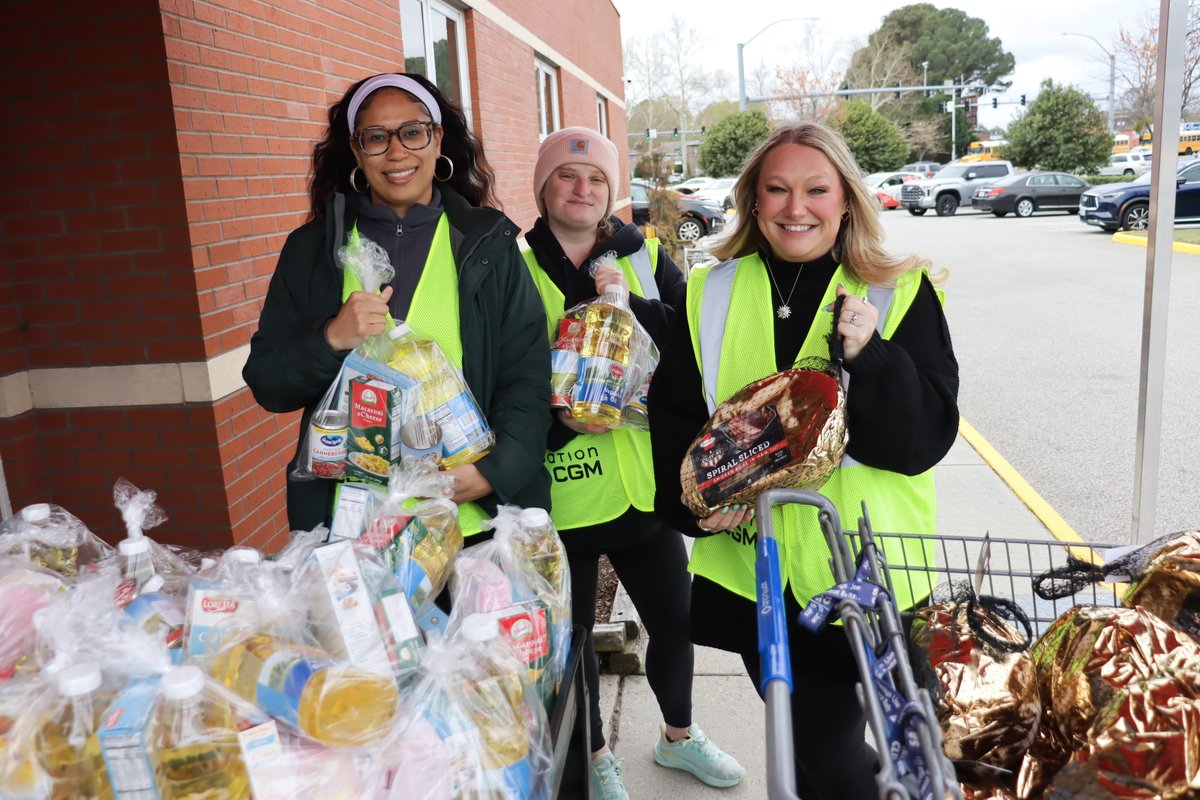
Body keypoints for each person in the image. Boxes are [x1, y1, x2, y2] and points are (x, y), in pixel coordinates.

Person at [649, 122, 959, 800]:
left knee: (923, 748)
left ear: (846, 199)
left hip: (876, 575)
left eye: (817, 190)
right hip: (765, 584)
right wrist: (691, 508)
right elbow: (675, 416)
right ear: (753, 202)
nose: (797, 208)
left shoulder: (897, 291)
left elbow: (922, 441)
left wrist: (869, 357)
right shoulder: (711, 291)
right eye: (777, 190)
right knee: (827, 763)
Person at [523, 127, 747, 799]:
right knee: (573, 641)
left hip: (641, 486)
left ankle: (678, 738)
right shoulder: (513, 266)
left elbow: (691, 333)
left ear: (613, 191)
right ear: (543, 187)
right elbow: (502, 371)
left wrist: (627, 303)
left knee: (676, 622)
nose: (583, 189)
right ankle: (595, 755)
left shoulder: (642, 254)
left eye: (596, 179)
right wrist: (560, 412)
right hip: (564, 490)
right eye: (566, 175)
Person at [243, 72, 551, 537]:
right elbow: (268, 382)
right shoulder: (310, 252)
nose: (396, 152)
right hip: (357, 534)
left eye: (412, 132)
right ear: (355, 149)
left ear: (437, 138)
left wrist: (493, 473)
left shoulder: (488, 244)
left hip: (474, 524)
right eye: (376, 138)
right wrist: (331, 339)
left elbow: (527, 377)